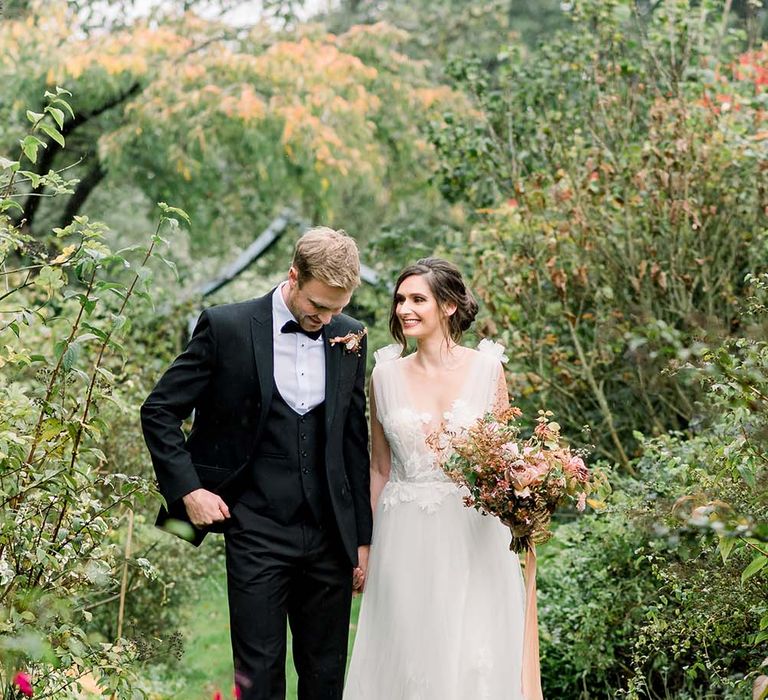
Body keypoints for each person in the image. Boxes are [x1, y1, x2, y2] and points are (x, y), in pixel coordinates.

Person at [140, 227, 372, 700]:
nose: (326, 318)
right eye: (318, 307)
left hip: (329, 534)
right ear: (293, 276)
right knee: (260, 672)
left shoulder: (349, 337)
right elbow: (159, 410)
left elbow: (353, 442)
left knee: (325, 672)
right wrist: (190, 491)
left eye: (337, 308)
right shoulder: (225, 327)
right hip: (256, 527)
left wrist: (362, 539)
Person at [343, 257, 527, 699]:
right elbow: (380, 468)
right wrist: (363, 547)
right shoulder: (384, 376)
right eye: (400, 299)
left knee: (474, 651)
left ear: (447, 306)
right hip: (403, 534)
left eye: (417, 299)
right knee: (408, 651)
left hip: (475, 533)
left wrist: (526, 506)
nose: (404, 308)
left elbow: (504, 461)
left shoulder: (487, 370)